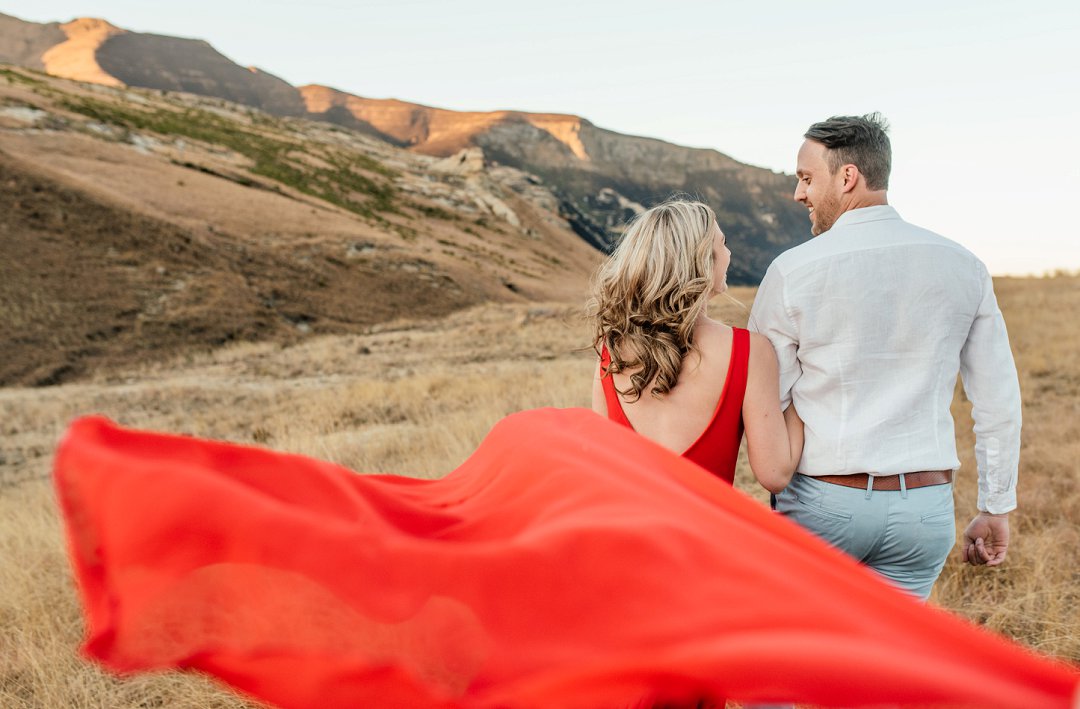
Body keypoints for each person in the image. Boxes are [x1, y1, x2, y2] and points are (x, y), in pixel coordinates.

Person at [748, 113, 1022, 600]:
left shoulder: (792, 271)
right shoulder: (964, 265)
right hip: (924, 509)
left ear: (847, 176)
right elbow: (997, 400)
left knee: (810, 659)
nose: (799, 194)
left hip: (824, 503)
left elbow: (768, 398)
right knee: (893, 666)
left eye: (807, 178)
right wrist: (995, 505)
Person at [588, 198, 802, 492]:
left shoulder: (610, 351)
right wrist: (805, 387)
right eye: (723, 243)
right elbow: (775, 474)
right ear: (701, 259)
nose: (729, 253)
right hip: (703, 536)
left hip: (624, 534)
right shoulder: (748, 350)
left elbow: (603, 469)